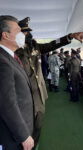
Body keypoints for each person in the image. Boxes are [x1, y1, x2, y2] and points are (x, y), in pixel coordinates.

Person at [15, 17, 83, 149]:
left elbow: (53, 44)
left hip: (39, 94)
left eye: (28, 32)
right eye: (24, 32)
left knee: (38, 125)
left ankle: (33, 146)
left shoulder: (35, 46)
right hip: (24, 95)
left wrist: (70, 36)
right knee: (25, 128)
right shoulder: (14, 51)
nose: (27, 35)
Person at [0, 15, 34, 150]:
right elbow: (6, 102)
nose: (22, 34)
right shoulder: (2, 61)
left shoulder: (10, 56)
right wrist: (23, 135)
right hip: (14, 137)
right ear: (5, 35)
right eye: (18, 30)